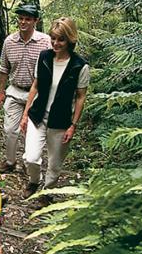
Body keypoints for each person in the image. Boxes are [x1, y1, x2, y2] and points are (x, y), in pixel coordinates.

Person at [19, 17, 90, 199]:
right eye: (53, 38)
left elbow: (81, 96)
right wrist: (25, 114)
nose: (55, 43)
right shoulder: (44, 57)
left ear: (70, 39)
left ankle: (48, 193)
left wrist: (73, 125)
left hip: (60, 121)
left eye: (61, 39)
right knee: (31, 157)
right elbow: (35, 86)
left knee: (54, 163)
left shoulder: (79, 66)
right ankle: (34, 181)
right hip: (38, 115)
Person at [0, 3, 52, 173]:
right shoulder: (9, 41)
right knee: (10, 129)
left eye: (28, 19)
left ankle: (31, 165)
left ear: (36, 21)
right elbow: (3, 69)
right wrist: (1, 91)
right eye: (21, 18)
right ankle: (10, 161)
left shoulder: (45, 41)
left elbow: (52, 68)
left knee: (31, 132)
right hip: (15, 90)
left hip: (36, 93)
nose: (23, 22)